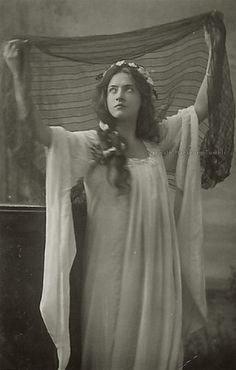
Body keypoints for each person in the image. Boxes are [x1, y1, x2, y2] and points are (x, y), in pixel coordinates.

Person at [3, 29, 212, 370]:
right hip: (112, 270)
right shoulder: (92, 144)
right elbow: (39, 133)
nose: (120, 95)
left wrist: (214, 50)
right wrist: (17, 73)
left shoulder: (157, 139)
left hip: (157, 271)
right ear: (105, 98)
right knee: (114, 344)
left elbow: (200, 109)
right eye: (113, 89)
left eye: (129, 88)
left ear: (142, 97)